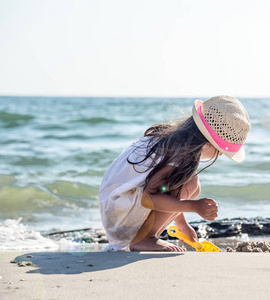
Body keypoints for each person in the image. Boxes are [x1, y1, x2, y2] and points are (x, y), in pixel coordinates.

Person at [98, 95, 251, 252]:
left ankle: (146, 237)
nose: (218, 155)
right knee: (191, 183)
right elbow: (149, 198)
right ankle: (145, 238)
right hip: (120, 220)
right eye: (219, 151)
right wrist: (194, 206)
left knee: (190, 181)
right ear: (207, 142)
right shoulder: (178, 154)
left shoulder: (171, 141)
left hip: (115, 214)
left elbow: (164, 190)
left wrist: (181, 223)